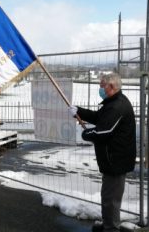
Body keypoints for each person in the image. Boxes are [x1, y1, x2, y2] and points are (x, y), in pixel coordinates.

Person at [69, 72, 136, 232]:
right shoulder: (111, 103)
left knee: (110, 199)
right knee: (108, 196)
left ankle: (111, 228)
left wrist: (86, 134)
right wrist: (79, 111)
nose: (100, 89)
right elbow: (99, 117)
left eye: (102, 86)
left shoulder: (117, 106)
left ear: (111, 87)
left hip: (116, 161)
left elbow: (104, 131)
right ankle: (108, 225)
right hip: (111, 160)